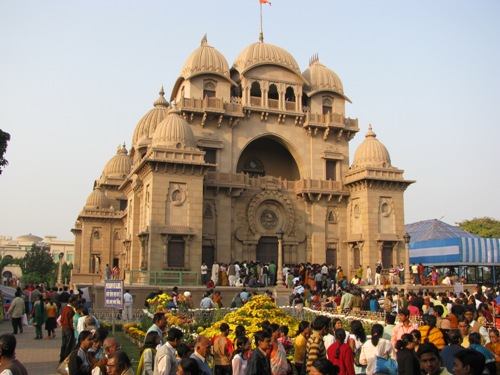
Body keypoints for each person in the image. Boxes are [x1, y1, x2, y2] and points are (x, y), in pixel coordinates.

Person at [60, 295, 77, 363]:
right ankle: (66, 356)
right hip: (68, 327)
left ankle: (62, 356)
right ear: (72, 302)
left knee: (64, 342)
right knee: (69, 343)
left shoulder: (64, 308)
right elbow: (70, 320)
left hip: (64, 327)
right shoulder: (70, 310)